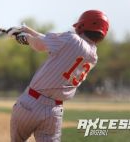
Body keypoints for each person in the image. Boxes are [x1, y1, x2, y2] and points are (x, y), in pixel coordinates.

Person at [7, 10, 109, 142]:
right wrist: (27, 30)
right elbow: (48, 41)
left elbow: (39, 45)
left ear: (82, 25)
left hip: (30, 104)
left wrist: (25, 38)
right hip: (54, 112)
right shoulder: (93, 56)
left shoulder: (72, 39)